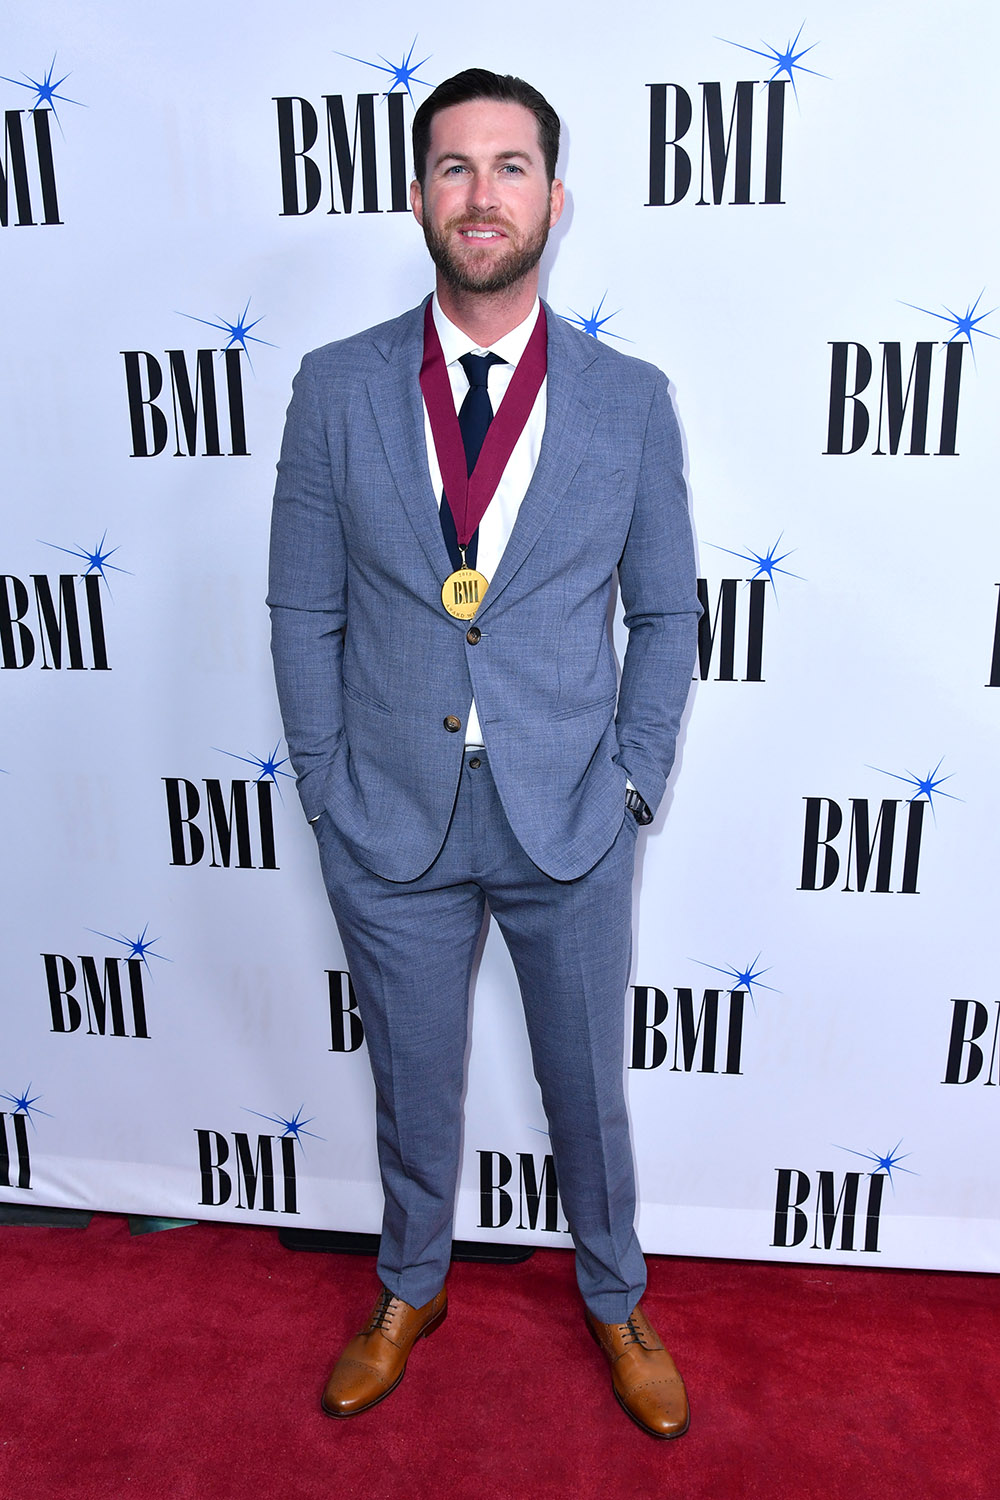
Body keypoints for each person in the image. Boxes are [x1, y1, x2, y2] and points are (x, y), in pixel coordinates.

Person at [267, 67, 700, 1438]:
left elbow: (672, 611)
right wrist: (329, 787)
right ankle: (410, 1285)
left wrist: (630, 777)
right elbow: (301, 605)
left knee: (587, 1085)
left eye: (511, 168)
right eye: (454, 167)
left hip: (569, 814)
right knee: (410, 1075)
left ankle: (616, 1296)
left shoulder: (629, 399)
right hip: (389, 816)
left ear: (554, 201)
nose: (482, 195)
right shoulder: (334, 388)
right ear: (416, 197)